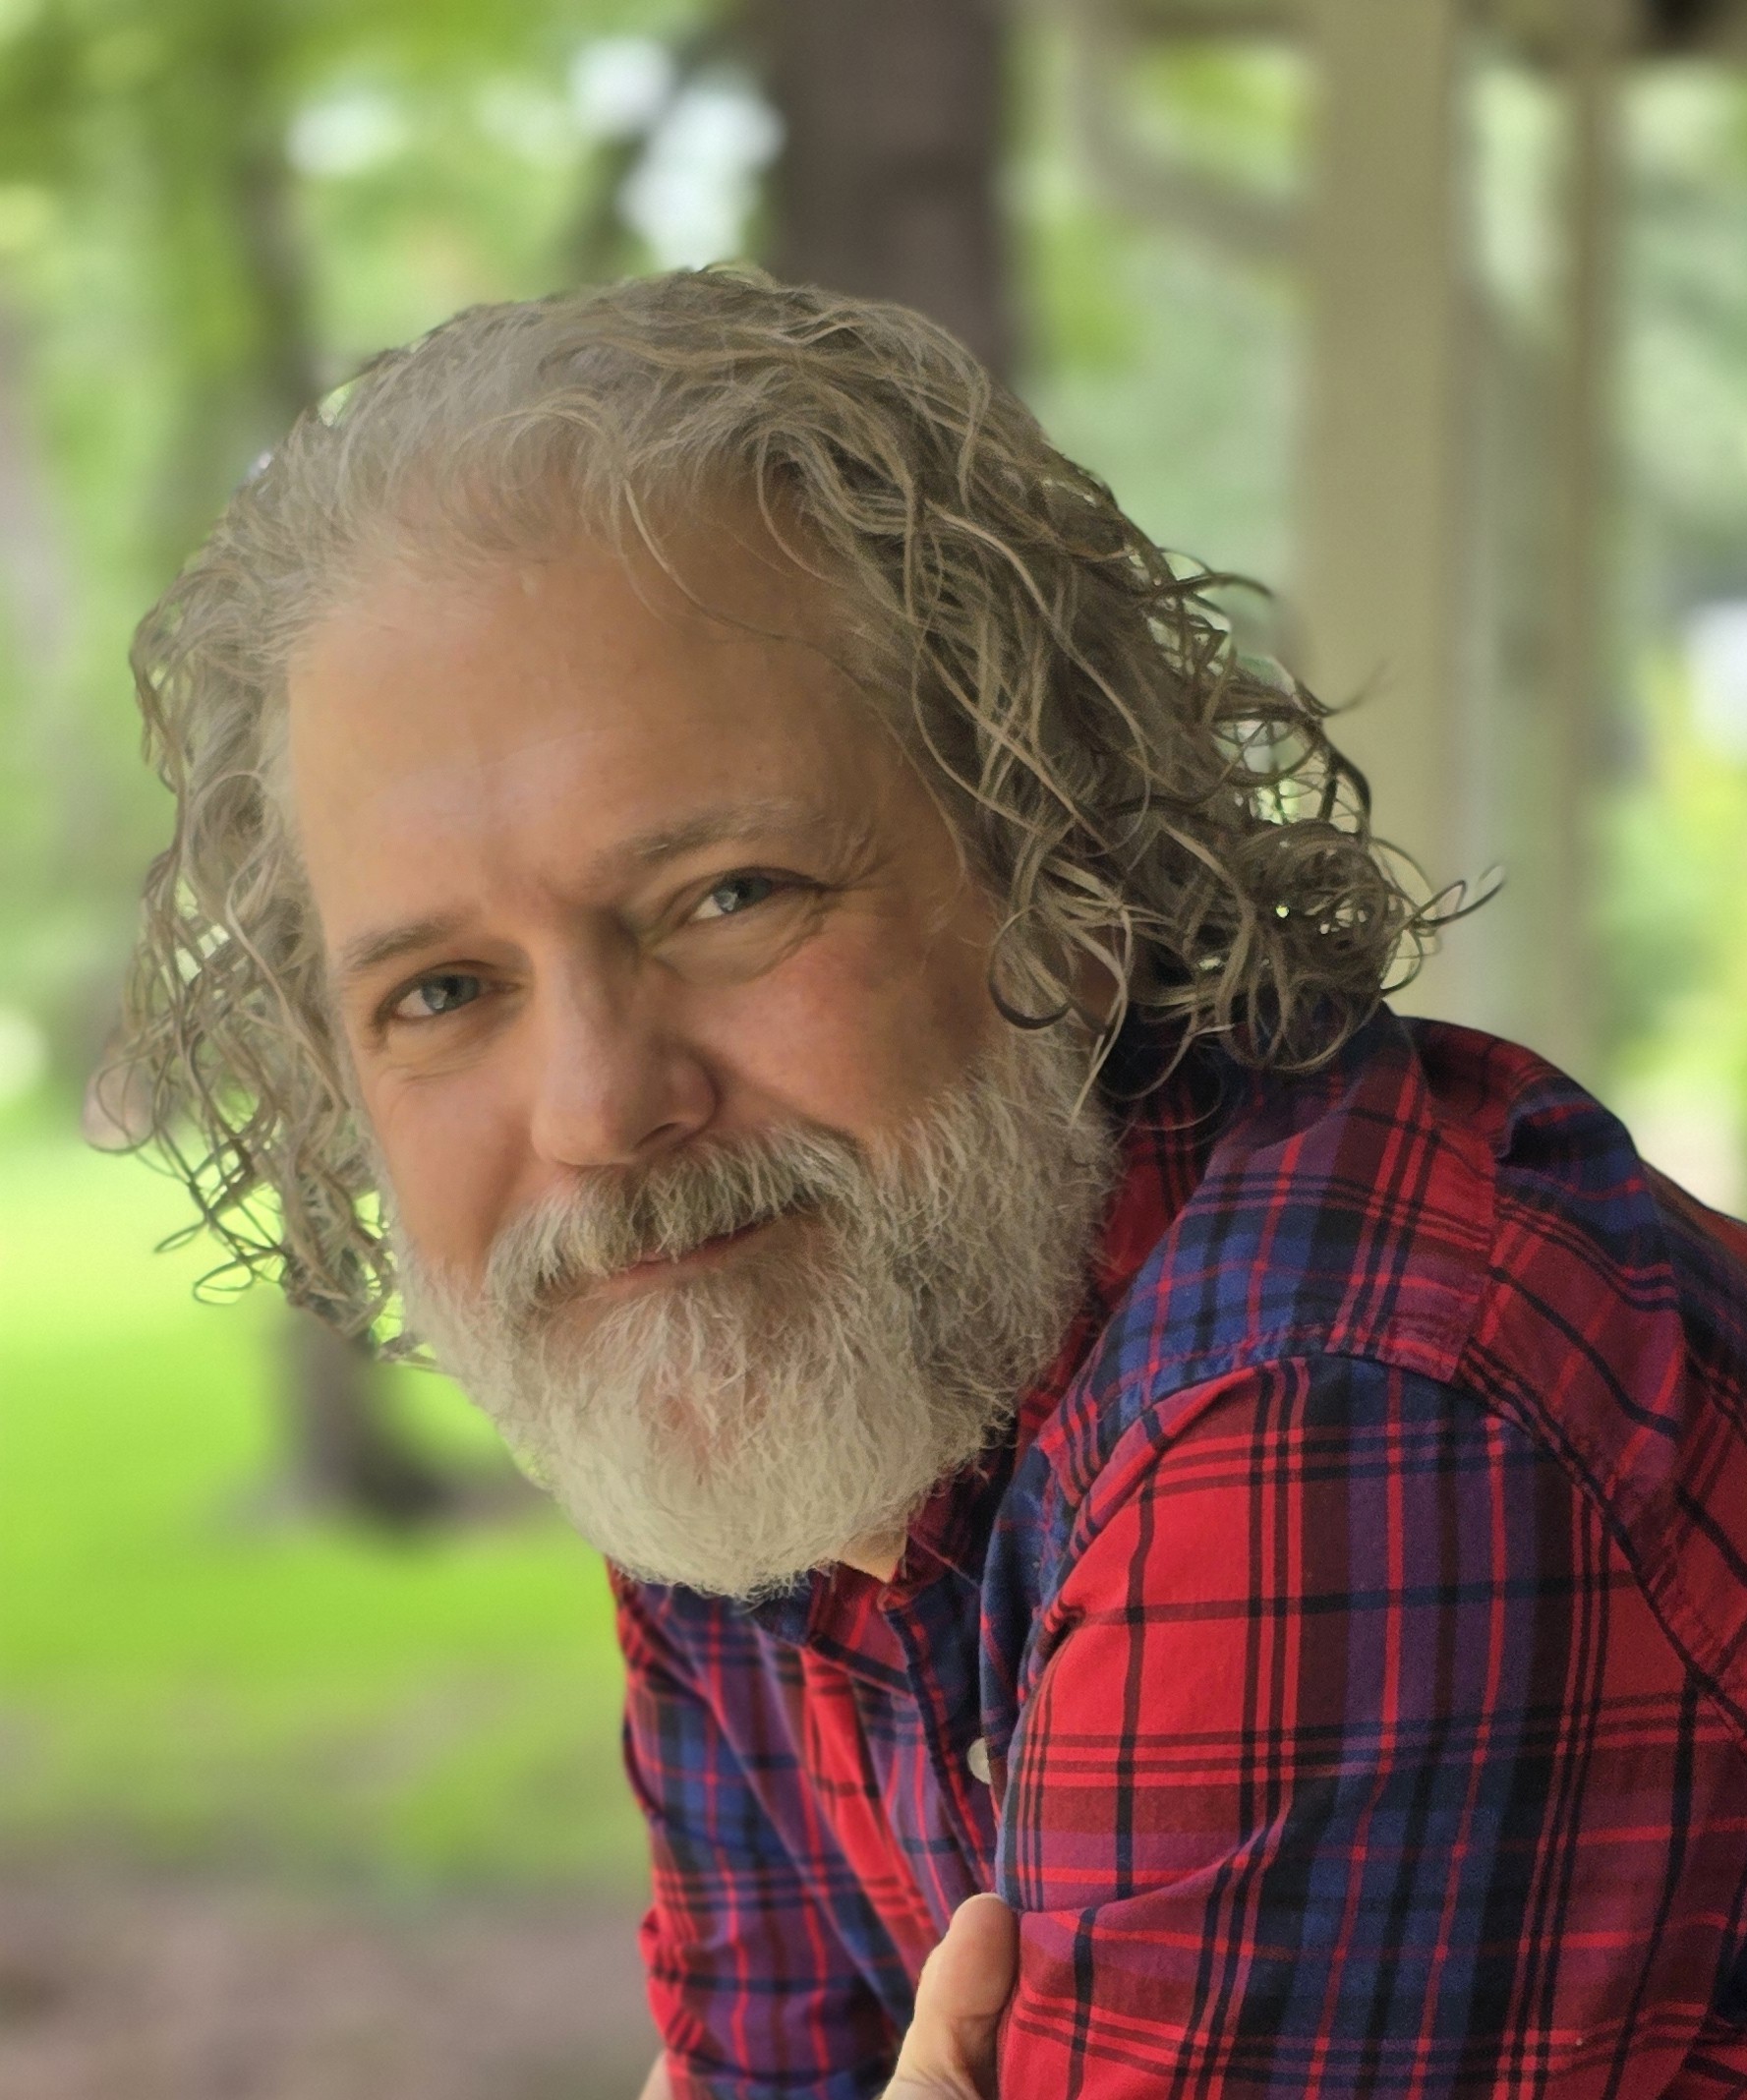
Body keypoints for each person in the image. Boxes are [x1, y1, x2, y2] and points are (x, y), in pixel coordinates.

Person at [113, 268, 1747, 2099]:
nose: (597, 1108)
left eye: (728, 896)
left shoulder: (1340, 1406)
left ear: (1058, 869)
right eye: (442, 993)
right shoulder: (775, 1381)